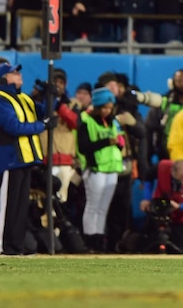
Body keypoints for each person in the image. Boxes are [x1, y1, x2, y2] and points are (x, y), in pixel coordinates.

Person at [0, 62, 55, 255]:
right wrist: (42, 125)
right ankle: (1, 246)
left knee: (20, 207)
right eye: (14, 73)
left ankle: (15, 247)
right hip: (9, 158)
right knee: (8, 205)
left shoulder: (23, 98)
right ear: (4, 78)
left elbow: (45, 112)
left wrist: (50, 96)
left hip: (25, 158)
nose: (19, 75)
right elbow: (14, 127)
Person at [76, 86, 125, 252]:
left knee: (103, 207)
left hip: (111, 168)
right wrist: (107, 142)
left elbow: (119, 139)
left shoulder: (112, 121)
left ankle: (99, 240)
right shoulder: (86, 120)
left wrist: (119, 143)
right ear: (97, 106)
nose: (107, 111)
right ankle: (89, 240)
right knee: (93, 206)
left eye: (110, 108)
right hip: (95, 168)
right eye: (104, 107)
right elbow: (83, 147)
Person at [140, 159, 183, 253]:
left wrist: (180, 206)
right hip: (160, 211)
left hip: (182, 217)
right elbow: (148, 176)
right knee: (147, 246)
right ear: (172, 172)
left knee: (180, 251)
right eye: (179, 181)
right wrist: (147, 198)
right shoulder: (163, 167)